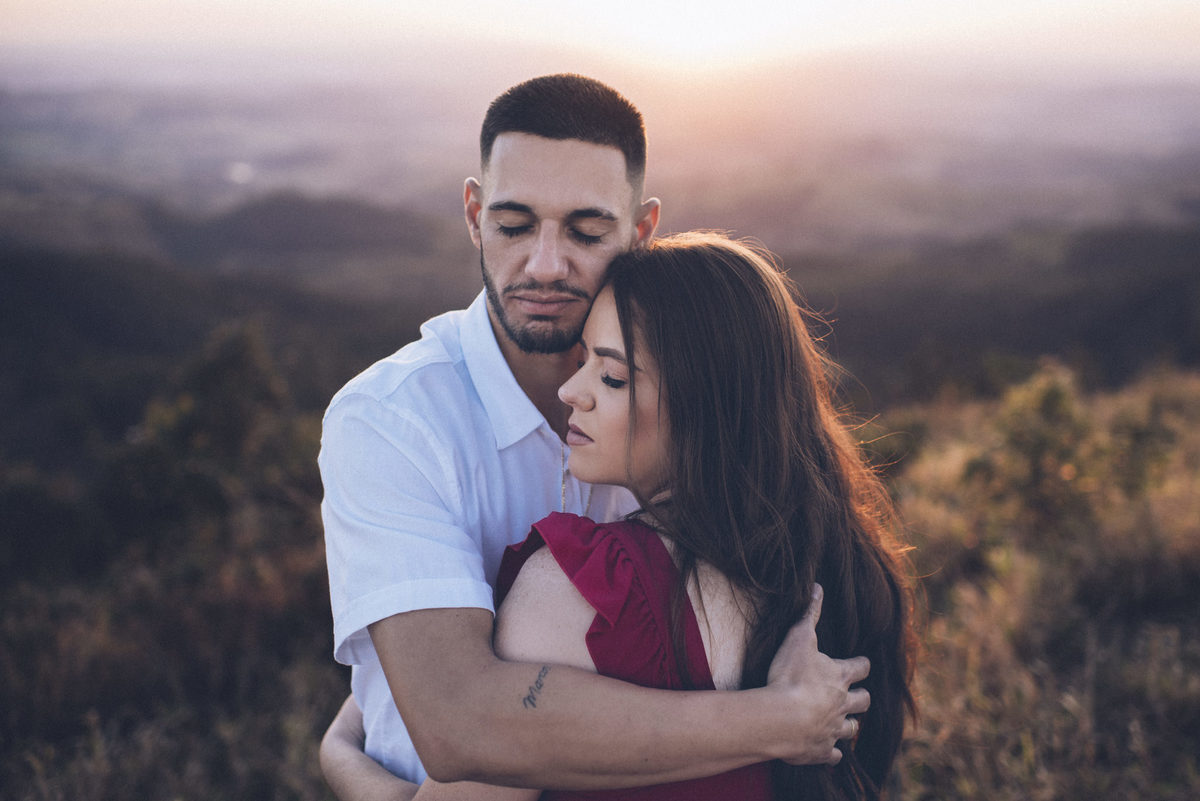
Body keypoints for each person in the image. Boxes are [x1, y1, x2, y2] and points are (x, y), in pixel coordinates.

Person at [318, 74, 872, 798]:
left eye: (585, 231)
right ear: (474, 215)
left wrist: (347, 758)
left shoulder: (686, 421)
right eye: (514, 225)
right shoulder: (392, 421)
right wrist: (773, 720)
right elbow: (452, 719)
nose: (546, 264)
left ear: (641, 232)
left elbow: (464, 724)